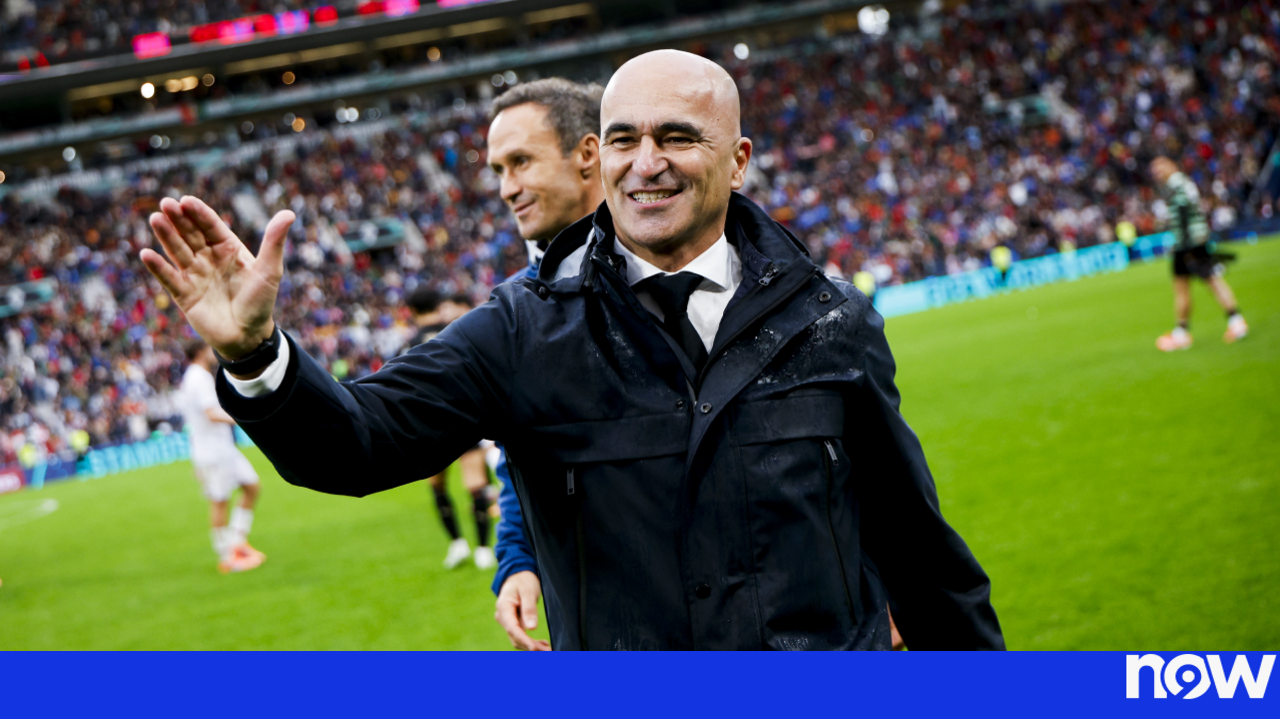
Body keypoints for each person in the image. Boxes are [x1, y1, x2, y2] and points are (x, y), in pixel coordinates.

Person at [142, 50, 1003, 650]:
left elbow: (922, 555)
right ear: (602, 153)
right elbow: (358, 442)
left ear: (738, 160)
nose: (646, 163)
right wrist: (256, 355)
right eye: (625, 138)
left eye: (677, 137)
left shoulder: (830, 319)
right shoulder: (523, 328)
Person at [484, 78, 605, 651]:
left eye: (521, 162)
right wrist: (518, 559)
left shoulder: (693, 264)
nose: (506, 189)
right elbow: (522, 456)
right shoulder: (517, 311)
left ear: (587, 154)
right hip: (600, 617)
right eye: (498, 170)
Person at [405, 287, 497, 569]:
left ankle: (457, 544)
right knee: (476, 486)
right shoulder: (457, 331)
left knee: (437, 486)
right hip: (466, 420)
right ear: (439, 305)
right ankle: (483, 549)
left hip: (430, 425)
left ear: (412, 311)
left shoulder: (409, 344)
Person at [178, 340, 265, 574]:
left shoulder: (197, 376)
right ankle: (226, 555)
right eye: (210, 349)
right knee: (220, 500)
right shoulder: (198, 378)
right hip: (212, 452)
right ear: (200, 352)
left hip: (222, 448)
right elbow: (210, 414)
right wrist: (242, 419)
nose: (214, 353)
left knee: (252, 487)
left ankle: (237, 543)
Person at [1149, 157, 1248, 351]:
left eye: (1160, 167)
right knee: (1200, 282)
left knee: (1196, 284)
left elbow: (1184, 214)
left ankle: (1186, 333)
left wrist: (1185, 244)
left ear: (1171, 165)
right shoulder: (1184, 183)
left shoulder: (1176, 185)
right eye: (1154, 170)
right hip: (1192, 241)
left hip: (1187, 244)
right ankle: (1233, 322)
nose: (1157, 173)